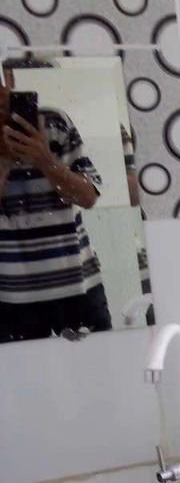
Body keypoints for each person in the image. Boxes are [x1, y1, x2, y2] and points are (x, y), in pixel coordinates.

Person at [0, 57, 111, 342]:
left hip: (79, 288)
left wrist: (44, 159)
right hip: (11, 298)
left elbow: (88, 197)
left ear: (10, 79)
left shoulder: (54, 123)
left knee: (101, 368)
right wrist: (4, 161)